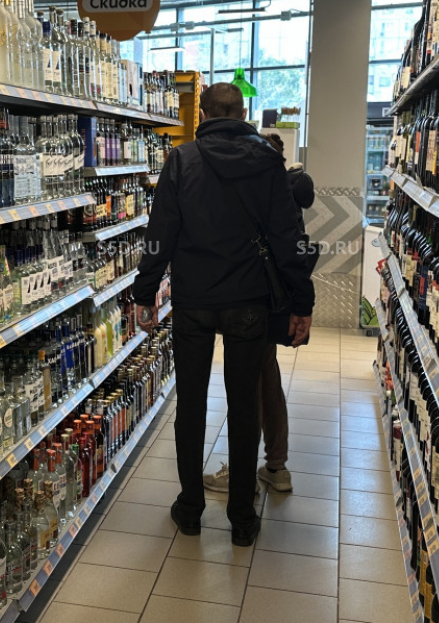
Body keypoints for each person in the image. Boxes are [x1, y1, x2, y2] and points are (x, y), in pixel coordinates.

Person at [132, 83, 315, 547]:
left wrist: (145, 291)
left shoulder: (181, 160)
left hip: (193, 301)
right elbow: (288, 237)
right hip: (248, 301)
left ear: (202, 115)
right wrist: (302, 302)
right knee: (243, 406)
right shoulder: (268, 161)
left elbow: (160, 231)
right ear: (242, 112)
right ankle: (242, 517)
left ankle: (190, 508)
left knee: (191, 404)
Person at [203, 131, 317, 496]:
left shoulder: (258, 190)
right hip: (276, 299)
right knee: (267, 378)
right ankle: (276, 467)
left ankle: (243, 475)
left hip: (253, 300)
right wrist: (301, 303)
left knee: (248, 385)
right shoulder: (285, 188)